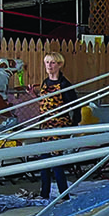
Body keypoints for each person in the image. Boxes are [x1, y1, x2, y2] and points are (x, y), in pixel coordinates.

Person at [36, 53, 77, 199]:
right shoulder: (45, 82)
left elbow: (75, 106)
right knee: (44, 161)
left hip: (58, 126)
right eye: (47, 62)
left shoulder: (65, 85)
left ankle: (63, 195)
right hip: (45, 126)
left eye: (52, 63)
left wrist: (74, 125)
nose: (49, 65)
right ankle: (44, 193)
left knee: (56, 162)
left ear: (59, 64)